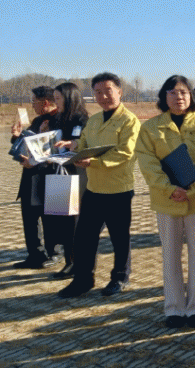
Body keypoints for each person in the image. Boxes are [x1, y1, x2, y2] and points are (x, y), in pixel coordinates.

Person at [136, 75, 195, 329]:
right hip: (166, 200)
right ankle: (173, 308)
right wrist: (169, 188)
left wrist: (191, 190)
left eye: (183, 92)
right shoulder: (151, 128)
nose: (178, 97)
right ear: (164, 96)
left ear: (191, 96)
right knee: (170, 255)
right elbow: (147, 163)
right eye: (172, 92)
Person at [58, 73, 141, 298]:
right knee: (84, 237)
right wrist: (73, 146)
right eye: (98, 92)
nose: (103, 96)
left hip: (118, 189)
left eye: (108, 91)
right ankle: (83, 280)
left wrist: (93, 162)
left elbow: (125, 152)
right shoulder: (94, 120)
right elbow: (84, 144)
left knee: (119, 237)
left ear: (120, 92)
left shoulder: (129, 121)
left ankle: (120, 277)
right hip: (94, 189)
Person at [10, 86, 59, 269]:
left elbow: (58, 152)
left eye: (33, 102)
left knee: (52, 217)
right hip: (31, 176)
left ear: (45, 102)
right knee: (29, 217)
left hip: (51, 175)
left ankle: (55, 253)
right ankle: (35, 254)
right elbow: (27, 145)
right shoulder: (38, 120)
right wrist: (16, 138)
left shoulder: (61, 120)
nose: (31, 105)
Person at [47, 82, 90, 279]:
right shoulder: (56, 118)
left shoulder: (82, 118)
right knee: (61, 218)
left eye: (58, 98)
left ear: (69, 98)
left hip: (75, 173)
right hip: (58, 172)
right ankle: (67, 259)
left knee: (73, 219)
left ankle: (74, 263)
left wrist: (71, 144)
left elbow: (82, 144)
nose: (55, 102)